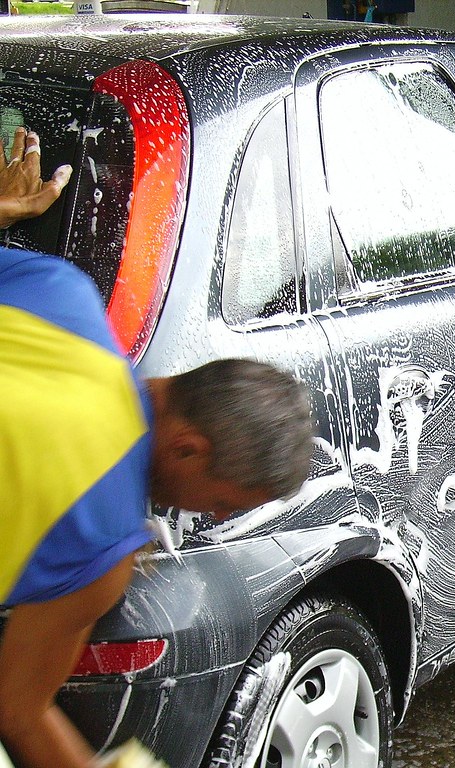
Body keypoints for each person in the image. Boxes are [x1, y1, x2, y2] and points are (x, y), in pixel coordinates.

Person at [0, 127, 314, 767]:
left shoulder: (65, 296)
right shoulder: (101, 541)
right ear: (189, 449)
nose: (216, 519)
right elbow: (18, 710)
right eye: (225, 503)